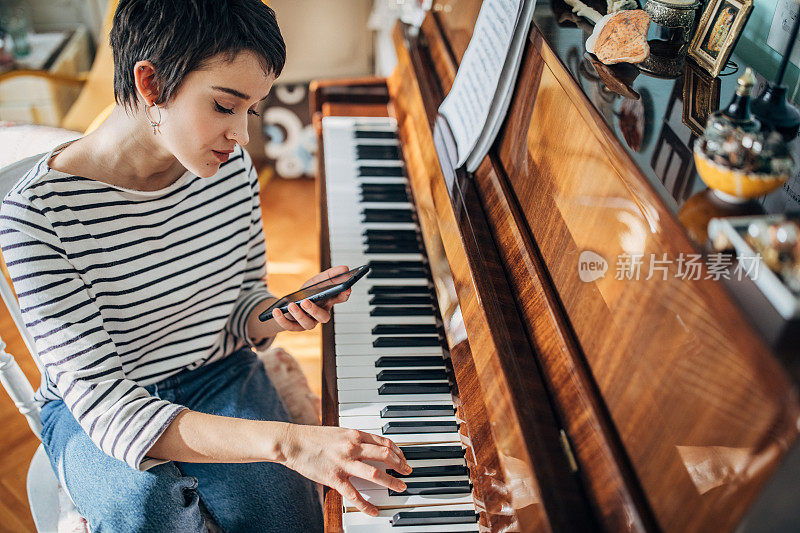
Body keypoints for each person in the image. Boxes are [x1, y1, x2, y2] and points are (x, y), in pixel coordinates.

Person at [0, 1, 410, 531]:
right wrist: (289, 442)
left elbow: (241, 304)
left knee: (287, 517)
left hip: (216, 374)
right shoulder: (38, 216)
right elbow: (108, 409)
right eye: (223, 106)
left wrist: (278, 311)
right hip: (95, 411)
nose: (241, 135)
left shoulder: (230, 167)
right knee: (147, 509)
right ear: (150, 83)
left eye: (251, 111)